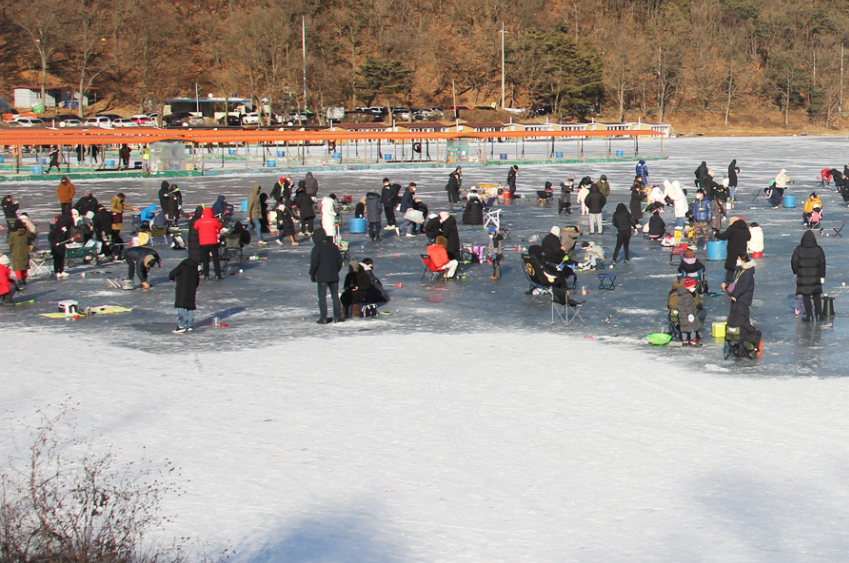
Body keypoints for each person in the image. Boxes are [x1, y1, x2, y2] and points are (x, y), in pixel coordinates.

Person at [309, 227, 343, 324]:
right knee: (335, 297)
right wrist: (336, 271)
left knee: (322, 298)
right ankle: (337, 317)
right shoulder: (334, 246)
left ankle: (323, 318)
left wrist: (312, 274)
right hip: (334, 276)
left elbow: (314, 263)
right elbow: (339, 262)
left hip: (322, 277)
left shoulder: (317, 248)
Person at [791, 230, 826, 321]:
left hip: (803, 277)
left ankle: (809, 316)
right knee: (816, 295)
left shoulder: (799, 249)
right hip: (815, 277)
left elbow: (794, 261)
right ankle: (819, 314)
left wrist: (796, 272)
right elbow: (822, 263)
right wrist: (822, 276)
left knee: (806, 296)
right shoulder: (818, 249)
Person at [715, 217, 750, 284]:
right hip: (742, 252)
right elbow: (748, 237)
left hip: (732, 251)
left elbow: (724, 236)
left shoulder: (732, 228)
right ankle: (740, 282)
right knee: (741, 267)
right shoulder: (745, 229)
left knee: (730, 269)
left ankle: (728, 283)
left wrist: (716, 234)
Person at [169, 257, 200, 333]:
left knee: (181, 306)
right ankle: (190, 326)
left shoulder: (182, 267)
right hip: (191, 291)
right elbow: (197, 282)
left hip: (181, 290)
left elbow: (172, 273)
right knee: (190, 307)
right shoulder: (195, 270)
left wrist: (172, 278)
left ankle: (181, 326)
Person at [193, 207, 223, 280]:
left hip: (203, 243)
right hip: (213, 242)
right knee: (215, 259)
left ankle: (206, 275)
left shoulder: (199, 221)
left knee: (205, 259)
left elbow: (195, 227)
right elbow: (219, 227)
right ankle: (218, 275)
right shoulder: (214, 220)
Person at [109, 193, 136, 260]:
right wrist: (120, 211)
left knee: (117, 237)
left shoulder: (119, 201)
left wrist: (132, 208)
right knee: (115, 237)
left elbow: (123, 206)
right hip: (115, 222)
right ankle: (115, 251)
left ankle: (118, 250)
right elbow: (112, 208)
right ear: (121, 197)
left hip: (118, 221)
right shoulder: (115, 200)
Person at [677, 276, 703, 346]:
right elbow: (688, 306)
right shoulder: (687, 296)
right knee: (692, 327)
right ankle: (693, 340)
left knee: (684, 328)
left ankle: (685, 340)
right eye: (693, 286)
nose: (694, 287)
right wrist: (690, 314)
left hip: (682, 315)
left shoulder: (681, 293)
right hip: (688, 314)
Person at [48, 214, 74, 278]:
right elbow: (50, 237)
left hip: (62, 246)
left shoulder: (65, 230)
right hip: (55, 247)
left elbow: (66, 239)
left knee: (62, 259)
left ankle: (62, 270)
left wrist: (70, 240)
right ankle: (56, 271)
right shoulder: (55, 229)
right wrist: (54, 243)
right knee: (56, 259)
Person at [8, 220, 30, 286]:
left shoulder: (12, 234)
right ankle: (24, 279)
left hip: (16, 252)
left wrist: (11, 251)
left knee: (17, 266)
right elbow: (32, 237)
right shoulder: (26, 232)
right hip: (25, 251)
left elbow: (10, 243)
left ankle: (19, 279)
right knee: (24, 266)